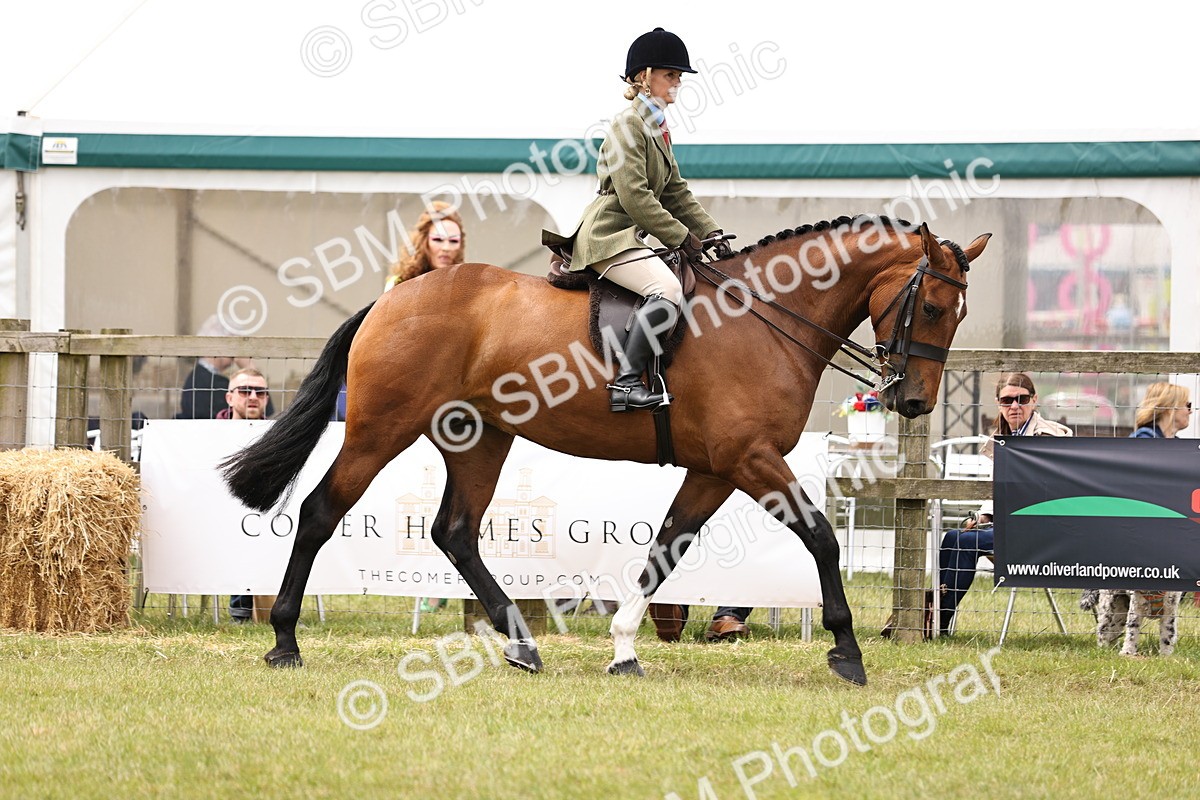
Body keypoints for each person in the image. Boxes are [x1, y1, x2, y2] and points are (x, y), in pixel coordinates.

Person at [542, 27, 732, 412]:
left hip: (629, 236)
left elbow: (675, 191)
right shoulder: (628, 125)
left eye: (679, 77)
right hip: (607, 236)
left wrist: (710, 230)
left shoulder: (658, 128)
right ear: (644, 77)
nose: (677, 83)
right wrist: (682, 238)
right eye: (670, 75)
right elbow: (635, 197)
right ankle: (626, 385)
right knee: (667, 290)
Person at [938, 372, 1073, 635]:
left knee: (964, 543)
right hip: (1009, 527)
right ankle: (934, 613)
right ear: (998, 403)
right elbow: (997, 493)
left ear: (1034, 400)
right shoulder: (1002, 437)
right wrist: (983, 517)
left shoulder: (1049, 436)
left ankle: (939, 620)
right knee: (953, 537)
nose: (1014, 406)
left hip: (1040, 531)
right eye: (1007, 400)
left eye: (1021, 399)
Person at [382, 202, 466, 611]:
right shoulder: (400, 283)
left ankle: (441, 588)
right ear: (423, 242)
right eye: (438, 240)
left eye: (454, 240)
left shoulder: (467, 287)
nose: (447, 248)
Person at [223, 368, 271, 622]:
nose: (253, 396)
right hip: (220, 514)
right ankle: (240, 611)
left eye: (260, 392)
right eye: (245, 391)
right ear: (229, 397)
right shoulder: (209, 433)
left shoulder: (277, 434)